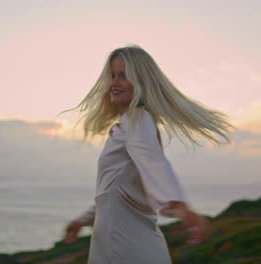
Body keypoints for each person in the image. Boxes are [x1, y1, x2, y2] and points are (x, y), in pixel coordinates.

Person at [62, 45, 233, 263]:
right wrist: (81, 221)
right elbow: (113, 192)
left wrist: (181, 207)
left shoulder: (138, 120)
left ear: (141, 82)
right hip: (117, 242)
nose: (114, 83)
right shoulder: (125, 127)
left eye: (124, 76)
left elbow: (154, 164)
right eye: (112, 76)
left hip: (126, 246)